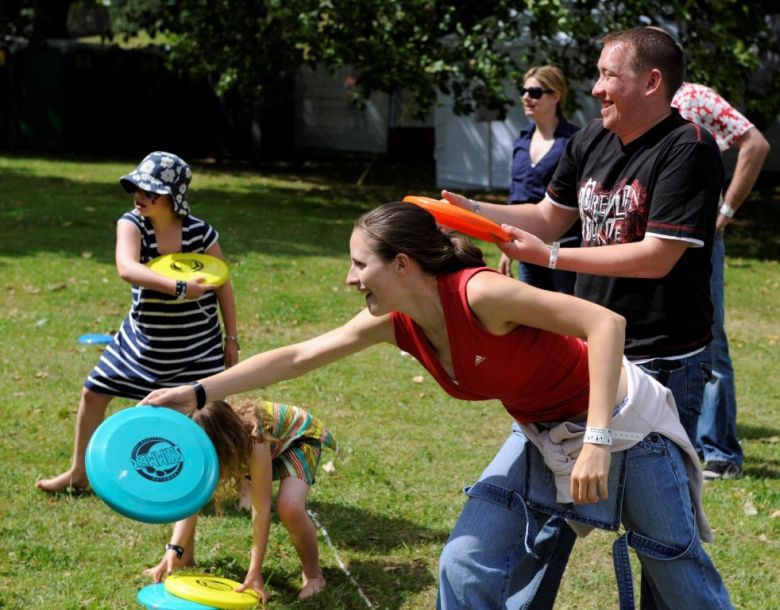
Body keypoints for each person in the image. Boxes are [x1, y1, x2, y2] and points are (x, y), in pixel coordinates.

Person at [142, 202, 733, 609]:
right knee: (462, 565)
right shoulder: (395, 322)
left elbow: (605, 324)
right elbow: (298, 356)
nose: (350, 279)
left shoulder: (481, 293)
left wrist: (599, 440)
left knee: (677, 574)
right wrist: (196, 393)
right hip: (541, 433)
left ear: (401, 264)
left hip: (625, 421)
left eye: (359, 263)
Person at [444, 27, 724, 447]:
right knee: (573, 482)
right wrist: (474, 212)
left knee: (656, 498)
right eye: (598, 75)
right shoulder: (591, 138)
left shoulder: (688, 148)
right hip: (592, 343)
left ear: (651, 82)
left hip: (662, 359)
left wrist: (551, 258)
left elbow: (656, 257)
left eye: (609, 76)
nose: (596, 89)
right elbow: (547, 217)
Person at [36, 151, 239, 493]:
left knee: (213, 414)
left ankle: (232, 480)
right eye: (137, 188)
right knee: (94, 391)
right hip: (142, 340)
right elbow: (126, 268)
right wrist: (179, 287)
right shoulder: (131, 224)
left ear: (173, 197)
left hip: (196, 343)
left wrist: (231, 339)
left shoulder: (201, 234)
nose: (140, 196)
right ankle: (78, 473)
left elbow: (223, 284)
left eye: (151, 192)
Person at [672, 82, 771, 480]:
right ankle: (684, 443)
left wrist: (725, 211)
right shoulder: (634, 103)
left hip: (699, 236)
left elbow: (756, 144)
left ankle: (721, 452)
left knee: (709, 337)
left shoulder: (693, 97)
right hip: (658, 237)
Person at [144, 398, 336, 603]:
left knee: (289, 507)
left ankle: (314, 576)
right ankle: (184, 560)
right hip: (258, 443)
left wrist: (255, 571)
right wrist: (174, 549)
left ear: (225, 442)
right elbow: (193, 499)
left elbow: (261, 509)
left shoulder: (256, 439)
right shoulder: (196, 443)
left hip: (298, 439)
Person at [502, 65, 580, 293]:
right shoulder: (522, 139)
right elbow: (516, 195)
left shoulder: (574, 141)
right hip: (526, 247)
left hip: (563, 249)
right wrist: (508, 245)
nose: (526, 97)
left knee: (567, 317)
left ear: (555, 96)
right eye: (524, 90)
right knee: (534, 318)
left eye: (535, 92)